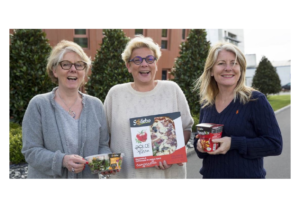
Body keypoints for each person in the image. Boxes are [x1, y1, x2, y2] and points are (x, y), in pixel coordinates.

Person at [104, 35, 194, 178]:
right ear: (128, 66)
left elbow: (186, 128)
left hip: (166, 176)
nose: (144, 64)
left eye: (149, 59)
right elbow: (105, 137)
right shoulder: (115, 94)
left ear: (156, 64)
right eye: (137, 60)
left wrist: (172, 155)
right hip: (127, 176)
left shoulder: (172, 90)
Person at [22, 40, 111, 178]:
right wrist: (62, 160)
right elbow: (31, 151)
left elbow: (103, 145)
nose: (73, 69)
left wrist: (105, 162)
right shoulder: (39, 105)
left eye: (79, 65)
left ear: (84, 72)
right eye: (66, 64)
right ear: (54, 70)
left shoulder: (96, 105)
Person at [193, 42, 282, 178]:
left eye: (234, 63)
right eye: (221, 63)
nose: (228, 68)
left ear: (240, 69)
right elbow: (201, 145)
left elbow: (275, 145)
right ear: (211, 70)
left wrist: (233, 143)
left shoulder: (255, 100)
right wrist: (199, 145)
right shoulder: (207, 103)